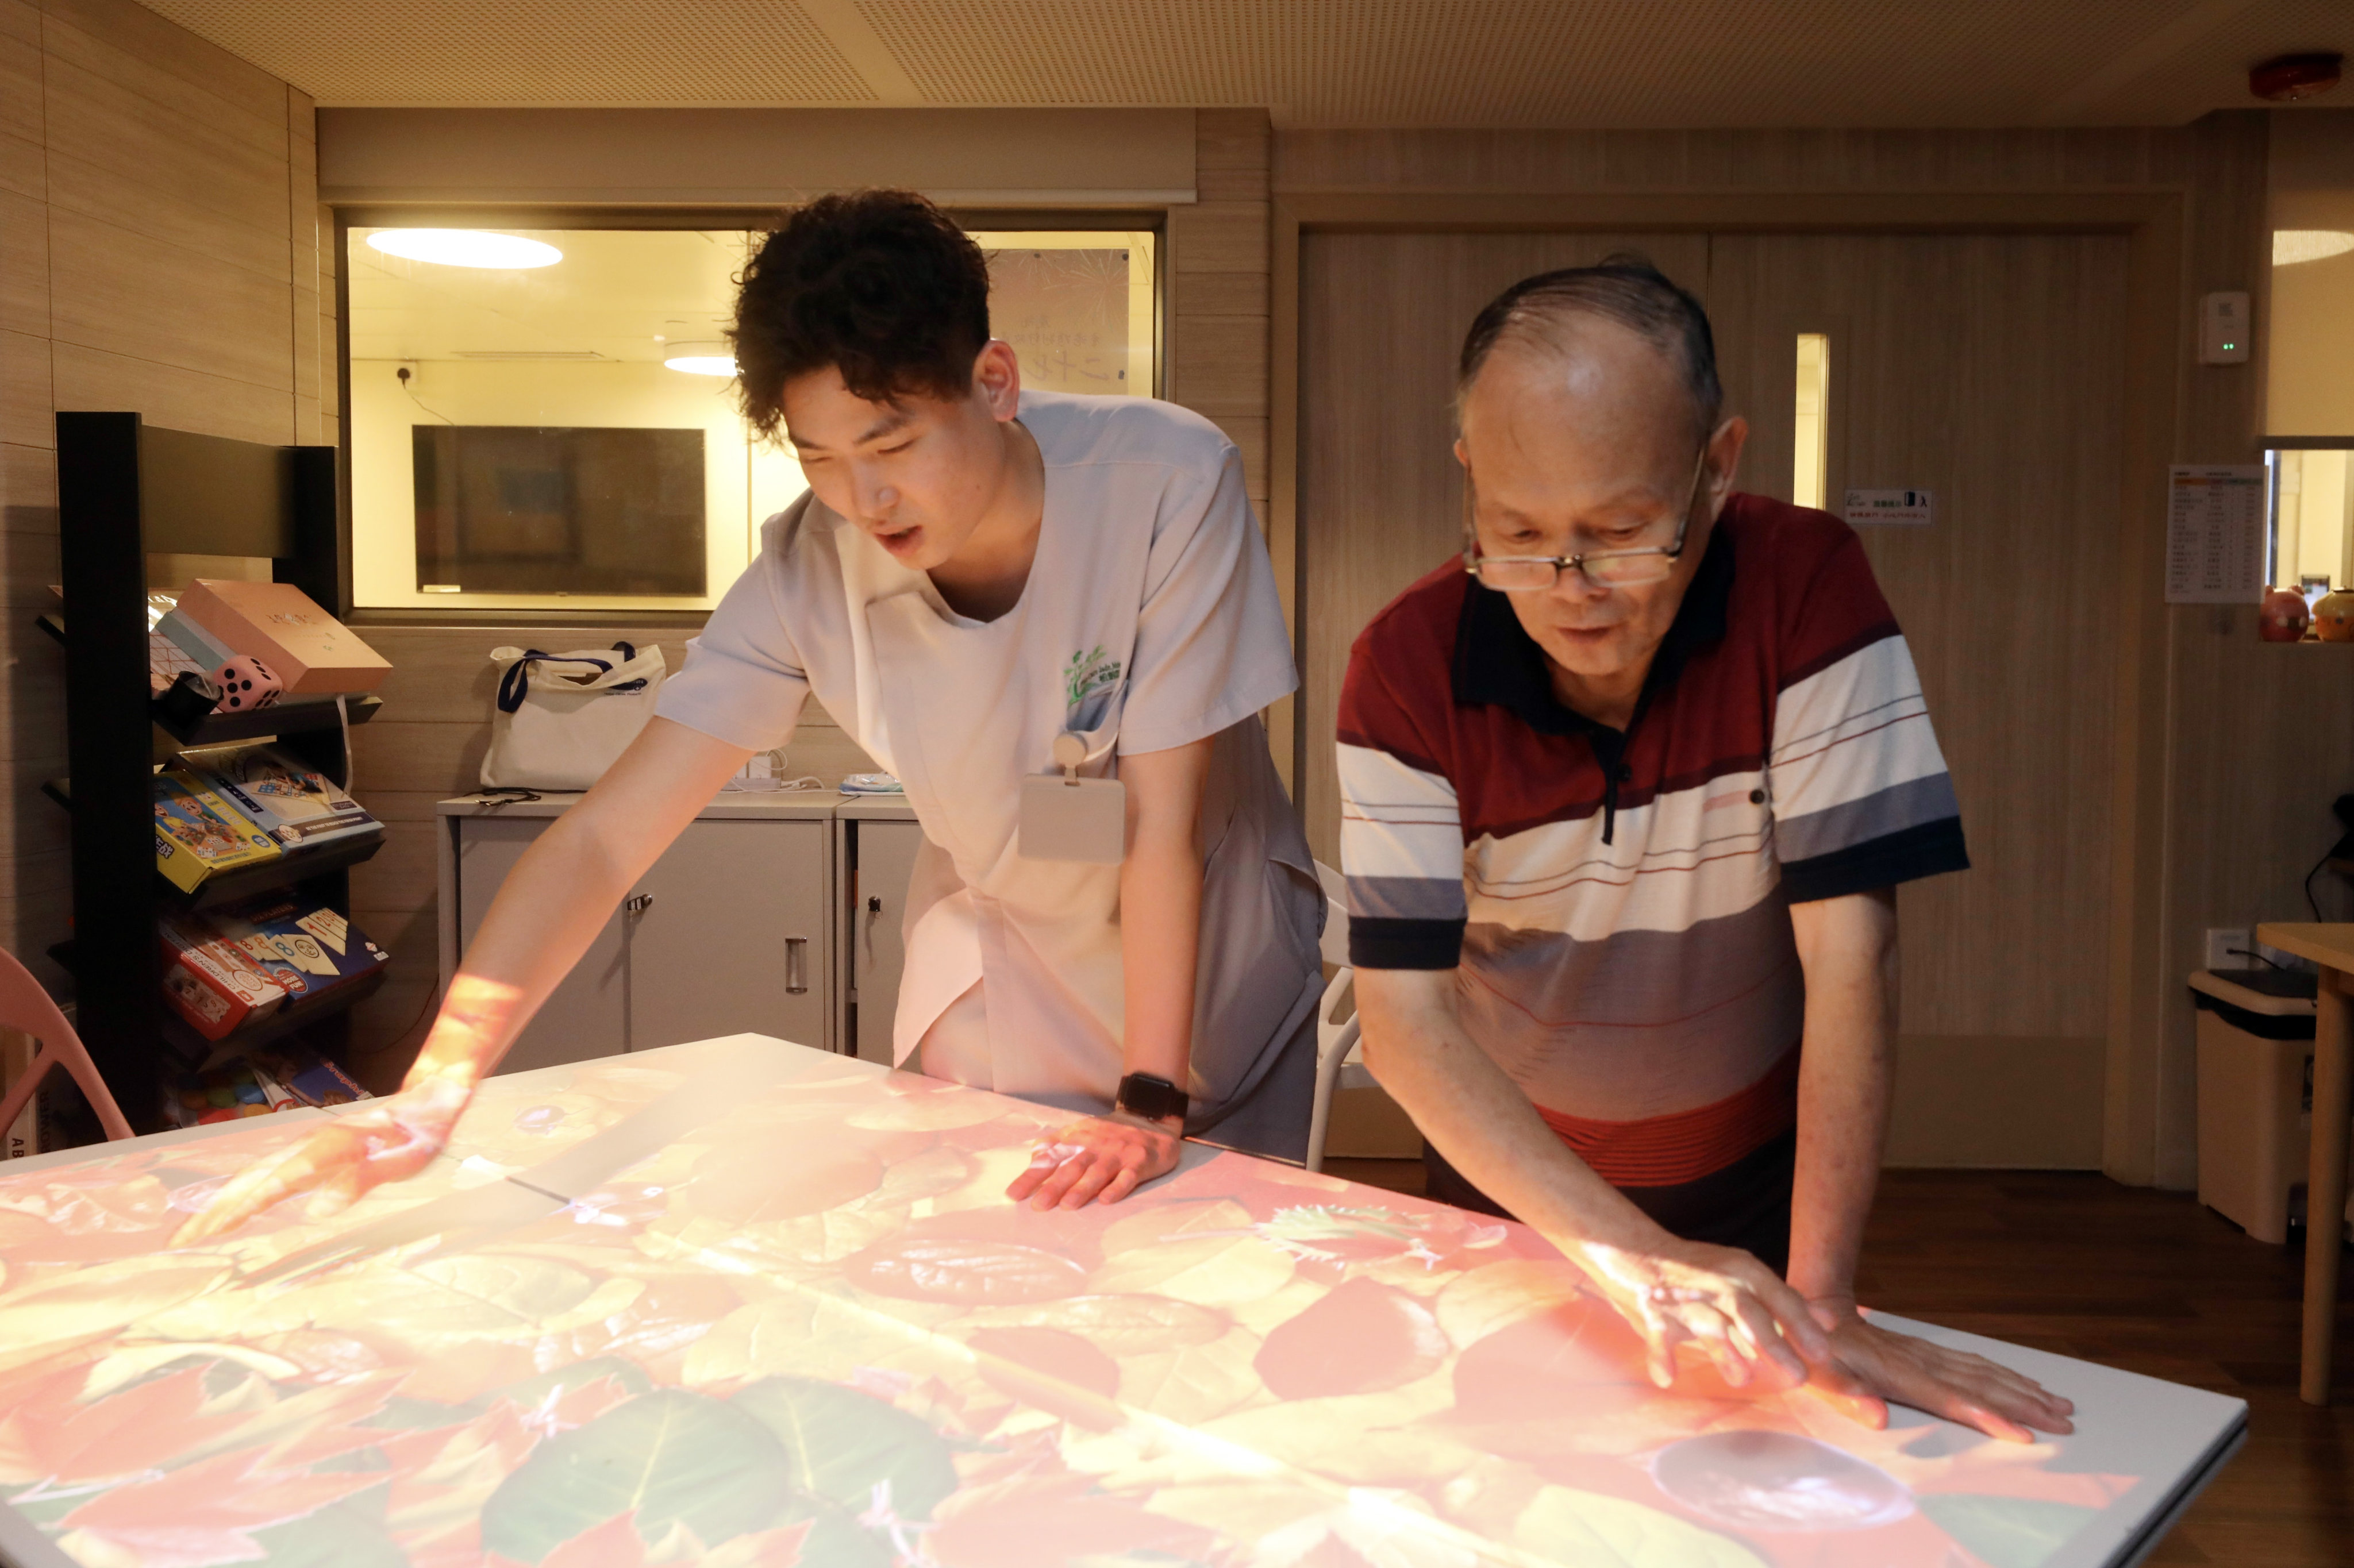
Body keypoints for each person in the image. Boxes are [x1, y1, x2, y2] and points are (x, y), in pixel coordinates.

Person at [180, 190, 1323, 1243]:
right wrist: (429, 1097)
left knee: (1205, 1292)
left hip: (1204, 981)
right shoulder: (803, 568)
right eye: (819, 458)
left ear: (993, 380)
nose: (862, 501)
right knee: (1005, 1292)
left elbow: (1161, 832)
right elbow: (601, 841)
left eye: (890, 447)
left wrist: (1148, 1099)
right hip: (1010, 978)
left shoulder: (1166, 482)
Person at [1336, 257, 2076, 1443]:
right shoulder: (1404, 664)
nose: (1568, 589)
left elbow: (1850, 954)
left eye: (1619, 532)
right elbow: (1404, 1022)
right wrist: (1627, 1252)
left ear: (1717, 467)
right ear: (1469, 475)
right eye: (1516, 534)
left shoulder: (1805, 588)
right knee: (1519, 1477)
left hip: (1750, 1178)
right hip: (1517, 1188)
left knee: (1754, 1475)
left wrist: (1824, 1301)